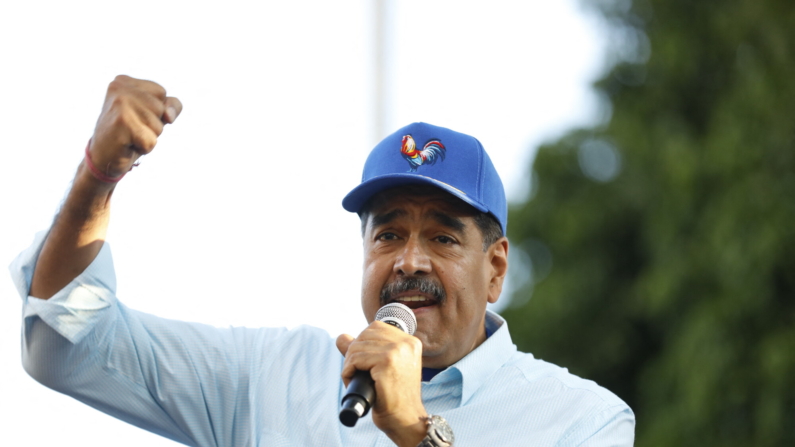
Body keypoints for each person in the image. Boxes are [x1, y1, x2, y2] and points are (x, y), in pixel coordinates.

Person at [10, 75, 635, 446]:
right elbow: (66, 340)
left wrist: (417, 433)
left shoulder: (582, 419)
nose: (409, 261)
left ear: (495, 268)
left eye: (443, 239)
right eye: (388, 234)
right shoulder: (271, 378)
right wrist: (99, 175)